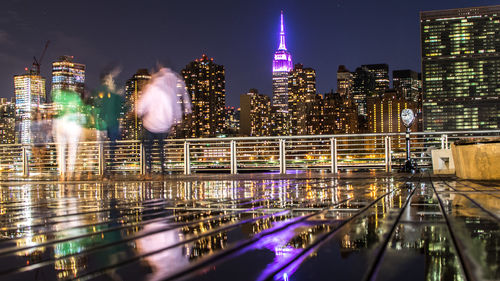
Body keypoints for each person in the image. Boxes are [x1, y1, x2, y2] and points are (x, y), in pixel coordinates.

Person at [137, 67, 191, 178]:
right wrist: (176, 120)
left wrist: (138, 111)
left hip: (150, 124)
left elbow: (142, 105)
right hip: (163, 126)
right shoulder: (168, 90)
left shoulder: (151, 88)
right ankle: (162, 173)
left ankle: (148, 173)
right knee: (161, 149)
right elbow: (174, 106)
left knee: (148, 150)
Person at [91, 70, 125, 178]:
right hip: (110, 124)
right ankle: (109, 170)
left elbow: (99, 108)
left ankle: (106, 170)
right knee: (111, 147)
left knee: (105, 147)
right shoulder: (110, 94)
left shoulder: (104, 94)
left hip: (105, 124)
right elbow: (120, 108)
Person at [52, 89, 85, 181]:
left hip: (60, 122)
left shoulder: (58, 95)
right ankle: (70, 174)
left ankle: (62, 174)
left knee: (60, 151)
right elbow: (80, 111)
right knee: (72, 151)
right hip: (72, 124)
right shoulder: (76, 97)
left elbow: (54, 110)